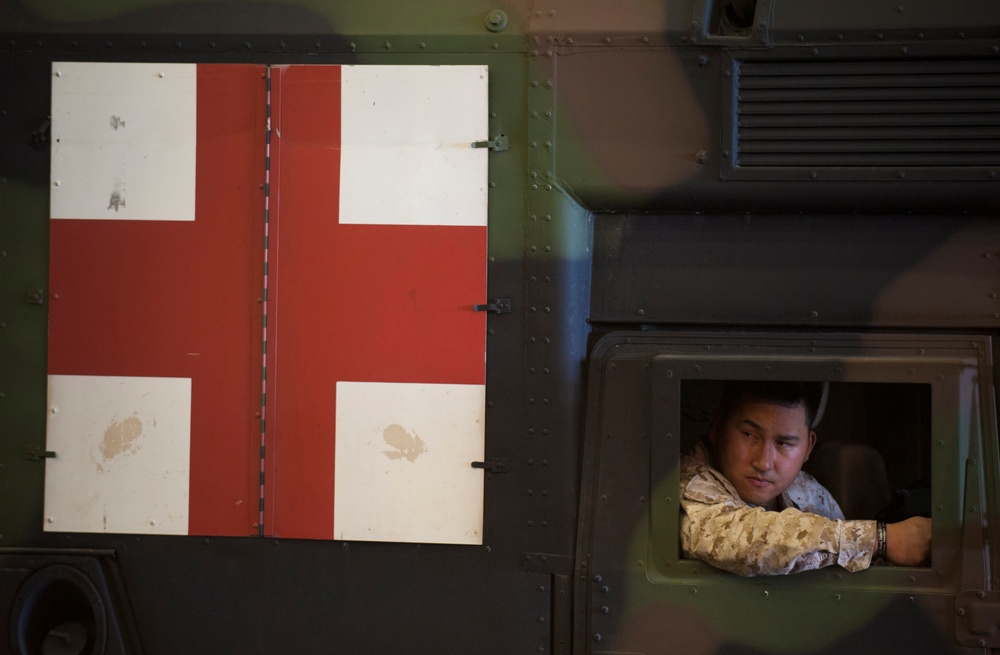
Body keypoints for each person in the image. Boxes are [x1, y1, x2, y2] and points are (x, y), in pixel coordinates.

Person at [680, 380, 932, 576]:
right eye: (748, 435)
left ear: (808, 447)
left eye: (784, 443)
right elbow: (738, 539)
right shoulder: (688, 486)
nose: (764, 463)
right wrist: (880, 539)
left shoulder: (807, 490)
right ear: (716, 427)